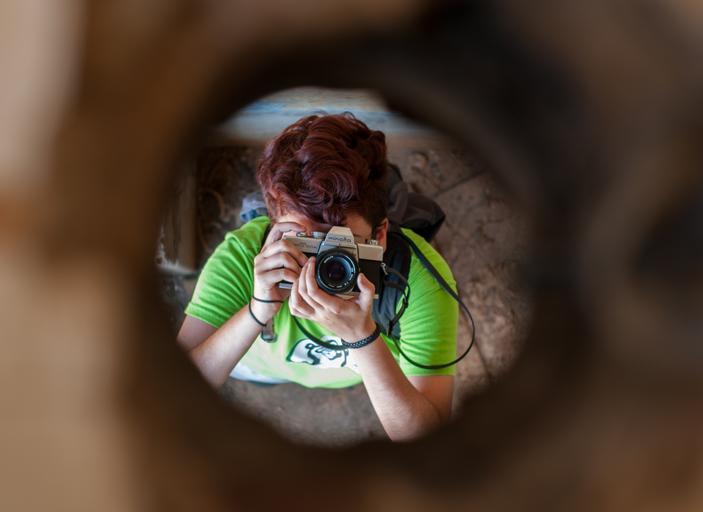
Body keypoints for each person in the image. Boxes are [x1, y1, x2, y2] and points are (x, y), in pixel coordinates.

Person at [177, 113, 458, 441]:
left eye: (341, 246)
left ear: (380, 236)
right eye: (304, 243)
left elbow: (425, 436)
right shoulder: (244, 256)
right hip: (262, 366)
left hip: (344, 369)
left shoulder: (419, 282)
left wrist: (363, 339)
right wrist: (257, 311)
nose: (321, 264)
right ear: (274, 225)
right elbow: (178, 389)